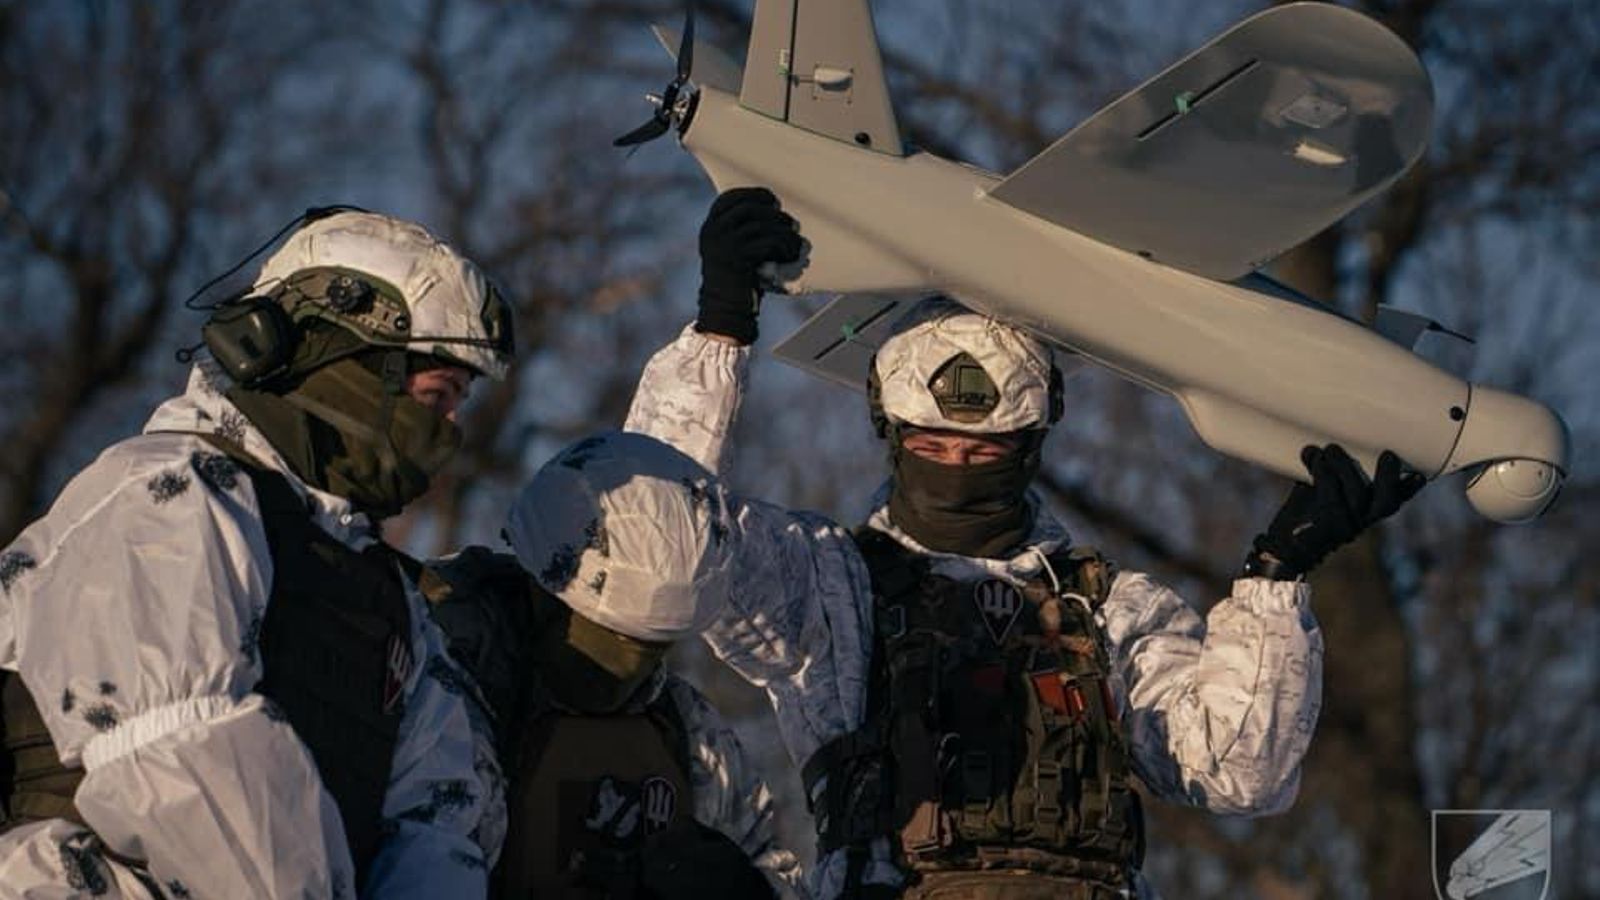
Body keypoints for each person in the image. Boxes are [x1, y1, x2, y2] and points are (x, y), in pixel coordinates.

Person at [620, 188, 1426, 899]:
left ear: (1032, 447)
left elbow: (1240, 769)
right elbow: (655, 542)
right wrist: (718, 331)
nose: (957, 468)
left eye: (985, 453)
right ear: (890, 437)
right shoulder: (828, 592)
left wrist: (1274, 581)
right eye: (932, 448)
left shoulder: (1107, 609)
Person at [0, 210, 514, 898]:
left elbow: (436, 823)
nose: (449, 432)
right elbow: (183, 761)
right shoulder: (166, 498)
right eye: (436, 397)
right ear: (337, 362)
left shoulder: (394, 604)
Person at [423, 429, 804, 899]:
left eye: (653, 644)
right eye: (615, 635)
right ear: (546, 588)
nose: (629, 664)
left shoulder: (685, 731)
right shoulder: (433, 684)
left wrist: (741, 889)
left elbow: (771, 863)